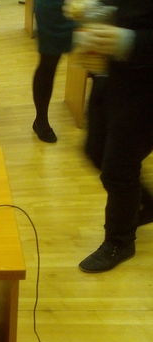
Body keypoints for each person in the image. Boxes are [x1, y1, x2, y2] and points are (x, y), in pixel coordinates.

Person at [75, 0, 153, 272]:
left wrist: (126, 40)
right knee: (94, 150)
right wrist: (92, 10)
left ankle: (120, 242)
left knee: (118, 168)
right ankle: (146, 203)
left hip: (145, 88)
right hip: (112, 75)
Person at [31, 0, 76, 143]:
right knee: (49, 63)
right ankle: (41, 120)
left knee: (96, 60)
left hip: (85, 6)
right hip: (52, 7)